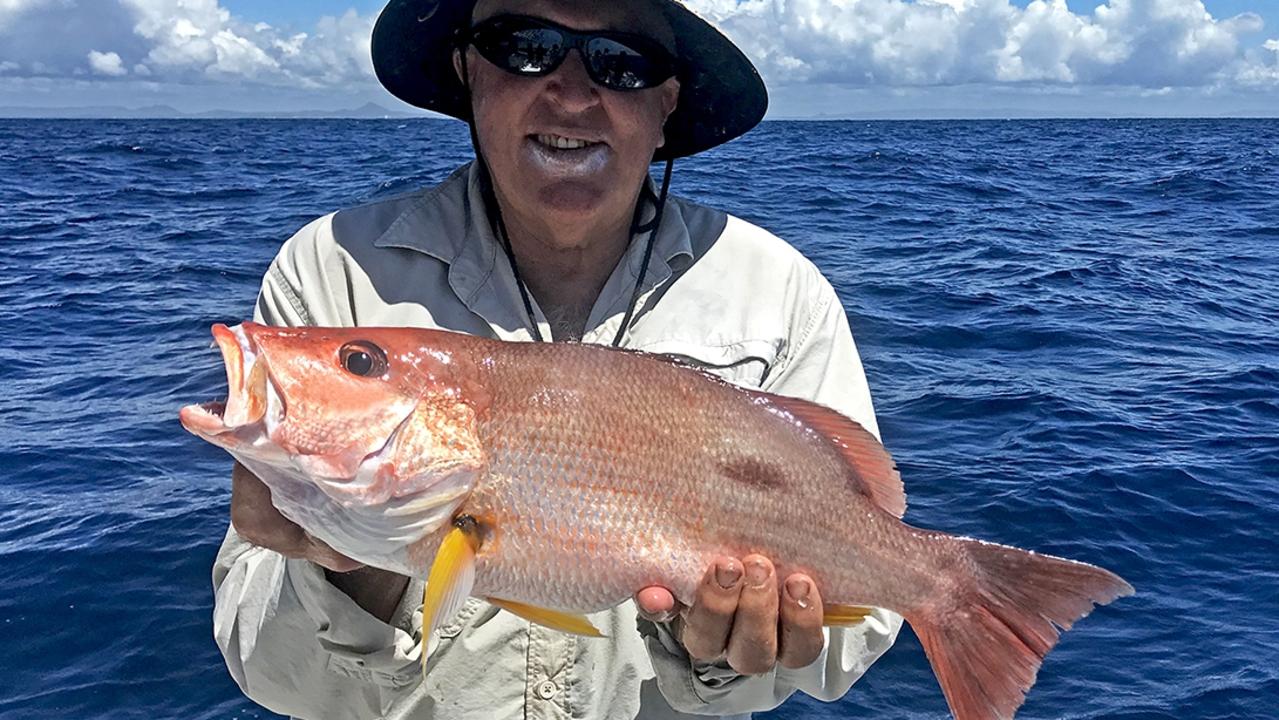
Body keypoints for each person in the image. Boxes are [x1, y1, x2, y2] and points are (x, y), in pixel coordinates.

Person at [211, 0, 902, 718]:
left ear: (667, 103)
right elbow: (272, 676)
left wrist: (720, 653)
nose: (572, 93)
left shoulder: (780, 289)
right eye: (523, 46)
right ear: (467, 69)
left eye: (623, 61)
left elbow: (849, 649)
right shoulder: (330, 270)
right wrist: (352, 562)